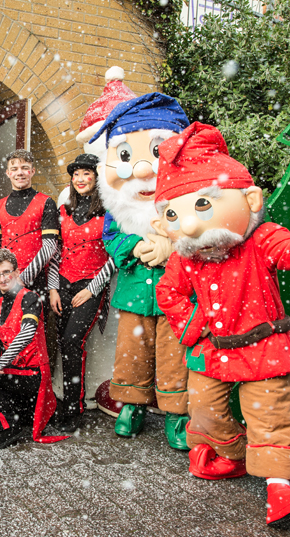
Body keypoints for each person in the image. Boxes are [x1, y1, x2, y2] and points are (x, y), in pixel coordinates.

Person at [153, 122, 290, 529]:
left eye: (203, 204)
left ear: (251, 198)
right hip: (212, 347)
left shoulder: (259, 240)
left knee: (271, 417)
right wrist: (197, 324)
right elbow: (169, 293)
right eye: (173, 213)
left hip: (263, 347)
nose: (187, 226)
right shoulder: (185, 258)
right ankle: (230, 454)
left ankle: (282, 490)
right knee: (203, 411)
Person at [88, 93, 192, 450]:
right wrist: (133, 246)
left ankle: (178, 414)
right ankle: (132, 406)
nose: (145, 169)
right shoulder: (117, 208)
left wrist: (173, 248)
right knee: (131, 351)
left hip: (175, 294)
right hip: (134, 290)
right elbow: (110, 238)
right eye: (129, 156)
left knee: (174, 354)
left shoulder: (188, 200)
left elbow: (205, 236)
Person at [0, 249, 68, 449]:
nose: (2, 278)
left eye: (6, 272)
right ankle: (12, 415)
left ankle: (7, 429)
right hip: (15, 370)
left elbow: (27, 333)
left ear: (16, 272)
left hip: (33, 373)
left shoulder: (30, 298)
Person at [48, 154, 115, 433]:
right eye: (76, 175)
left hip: (91, 286)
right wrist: (52, 287)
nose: (80, 179)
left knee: (73, 341)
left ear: (96, 178)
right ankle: (62, 401)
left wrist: (91, 289)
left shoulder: (109, 214)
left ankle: (74, 408)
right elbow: (55, 252)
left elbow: (114, 257)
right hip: (62, 284)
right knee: (62, 344)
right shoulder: (63, 212)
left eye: (86, 174)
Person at [0, 150, 59, 299]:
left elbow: (50, 246)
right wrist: (1, 277)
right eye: (14, 169)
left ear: (32, 171)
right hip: (5, 281)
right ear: (8, 173)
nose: (19, 173)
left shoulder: (47, 203)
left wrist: (22, 279)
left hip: (36, 280)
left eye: (24, 168)